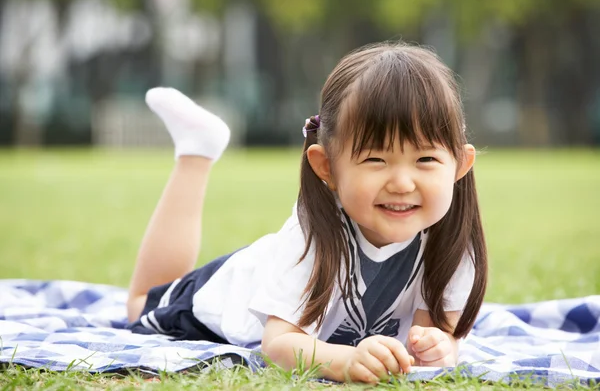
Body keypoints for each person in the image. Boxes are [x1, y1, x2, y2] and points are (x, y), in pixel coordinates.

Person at [126, 42, 488, 384]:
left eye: (425, 159)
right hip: (223, 297)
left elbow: (431, 332)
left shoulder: (453, 242)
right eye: (376, 159)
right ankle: (196, 152)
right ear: (326, 166)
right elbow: (280, 344)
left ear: (460, 164)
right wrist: (346, 361)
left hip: (270, 270)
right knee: (139, 304)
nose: (402, 183)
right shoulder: (311, 236)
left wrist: (438, 346)